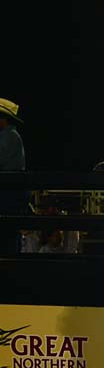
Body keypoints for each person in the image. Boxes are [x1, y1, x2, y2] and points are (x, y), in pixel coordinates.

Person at [0, 98, 28, 255]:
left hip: (8, 195)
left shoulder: (9, 137)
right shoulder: (9, 136)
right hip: (9, 194)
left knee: (7, 234)